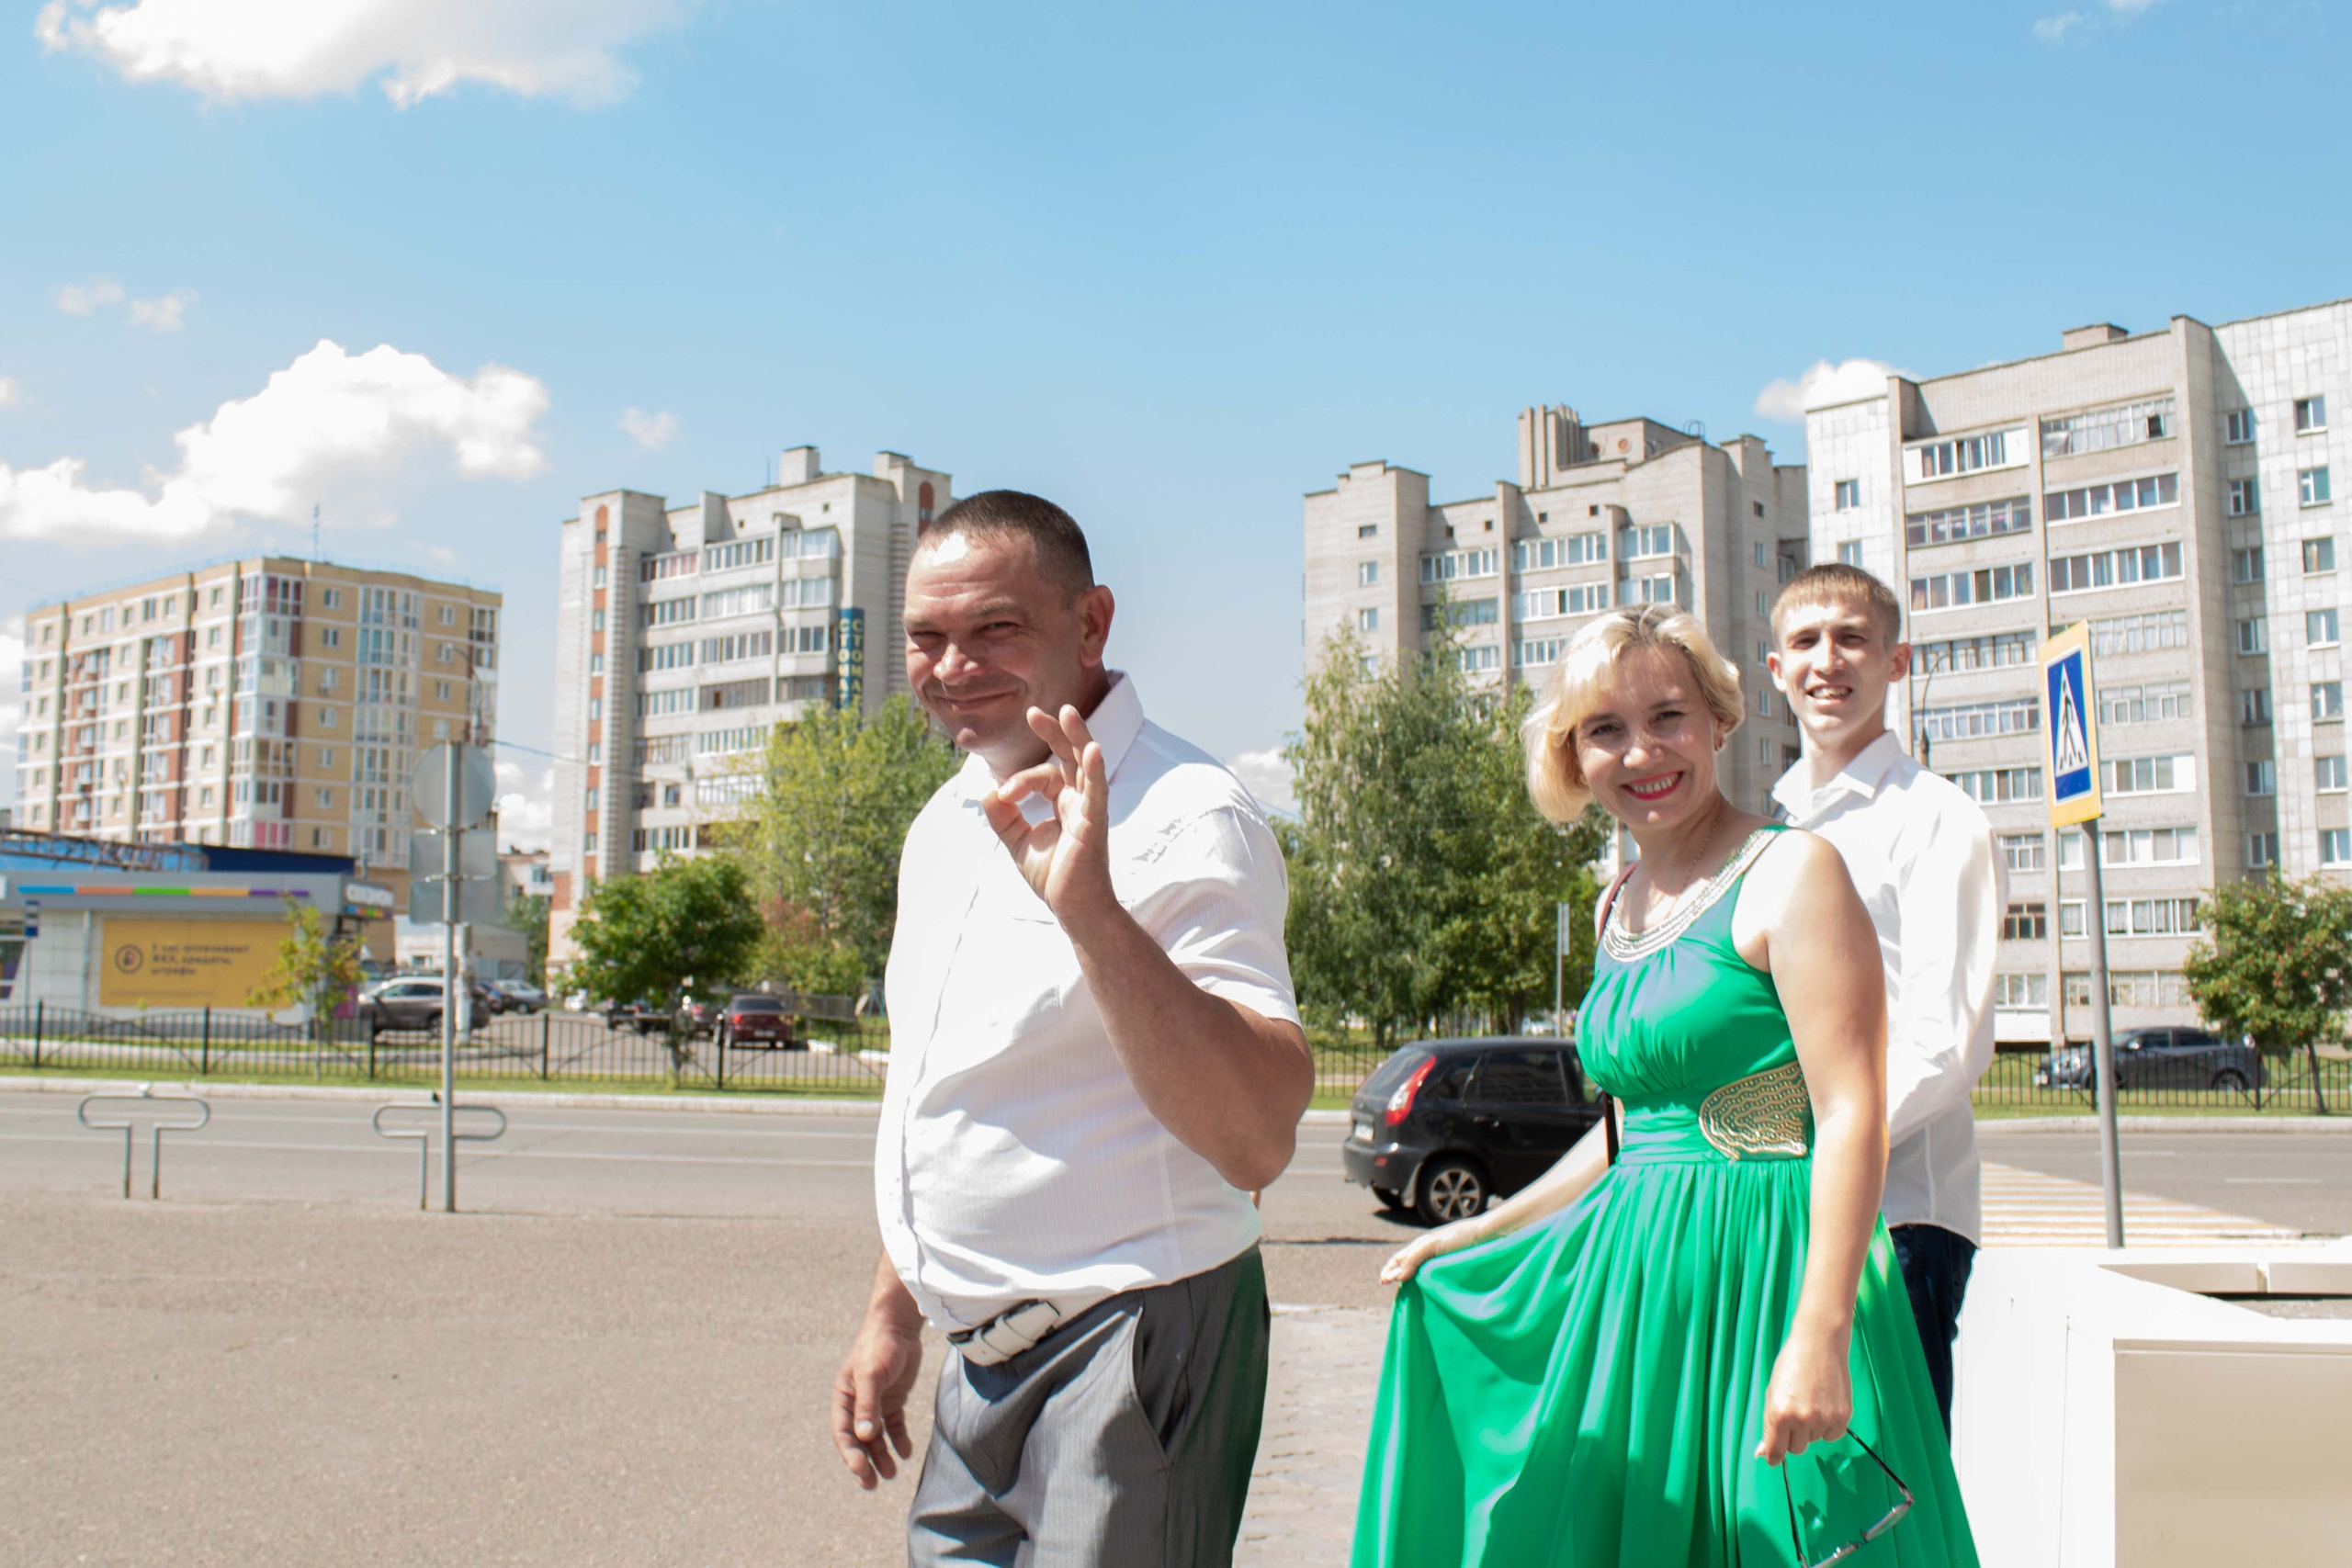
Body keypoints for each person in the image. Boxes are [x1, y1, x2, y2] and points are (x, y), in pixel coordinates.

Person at [1353, 604, 1976, 1568]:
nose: (1641, 751)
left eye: (1666, 717)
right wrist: (1477, 1229)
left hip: (1763, 1268)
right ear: (1573, 756)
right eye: (1605, 729)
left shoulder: (1792, 872)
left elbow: (1850, 1113)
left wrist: (1818, 1334)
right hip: (1634, 1282)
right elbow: (1622, 1134)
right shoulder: (1616, 904)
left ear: (1720, 720)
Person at [830, 490, 1314, 1567]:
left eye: (995, 627)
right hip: (978, 1362)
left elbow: (1257, 1137)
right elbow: (941, 1091)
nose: (953, 666)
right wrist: (895, 1314)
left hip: (1132, 1340)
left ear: (1091, 623)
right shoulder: (947, 817)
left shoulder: (1188, 814)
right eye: (926, 636)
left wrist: (1088, 909)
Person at [1767, 563, 2001, 1431]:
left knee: (1883, 1500)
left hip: (1900, 1223)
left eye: (1853, 638)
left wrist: (1801, 1143)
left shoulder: (1936, 819)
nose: (1828, 661)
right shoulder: (1779, 823)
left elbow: (1944, 1044)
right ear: (1775, 669)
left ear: (1897, 662)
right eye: (1805, 641)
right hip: (1790, 1204)